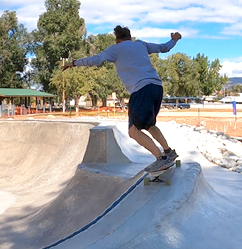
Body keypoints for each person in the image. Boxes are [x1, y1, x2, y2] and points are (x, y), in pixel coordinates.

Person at [62, 26, 182, 172]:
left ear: (117, 40)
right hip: (156, 87)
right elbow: (164, 48)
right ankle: (168, 152)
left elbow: (96, 59)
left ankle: (162, 159)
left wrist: (73, 63)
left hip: (141, 90)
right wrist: (174, 39)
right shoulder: (141, 44)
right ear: (130, 37)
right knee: (149, 125)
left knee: (134, 131)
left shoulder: (115, 49)